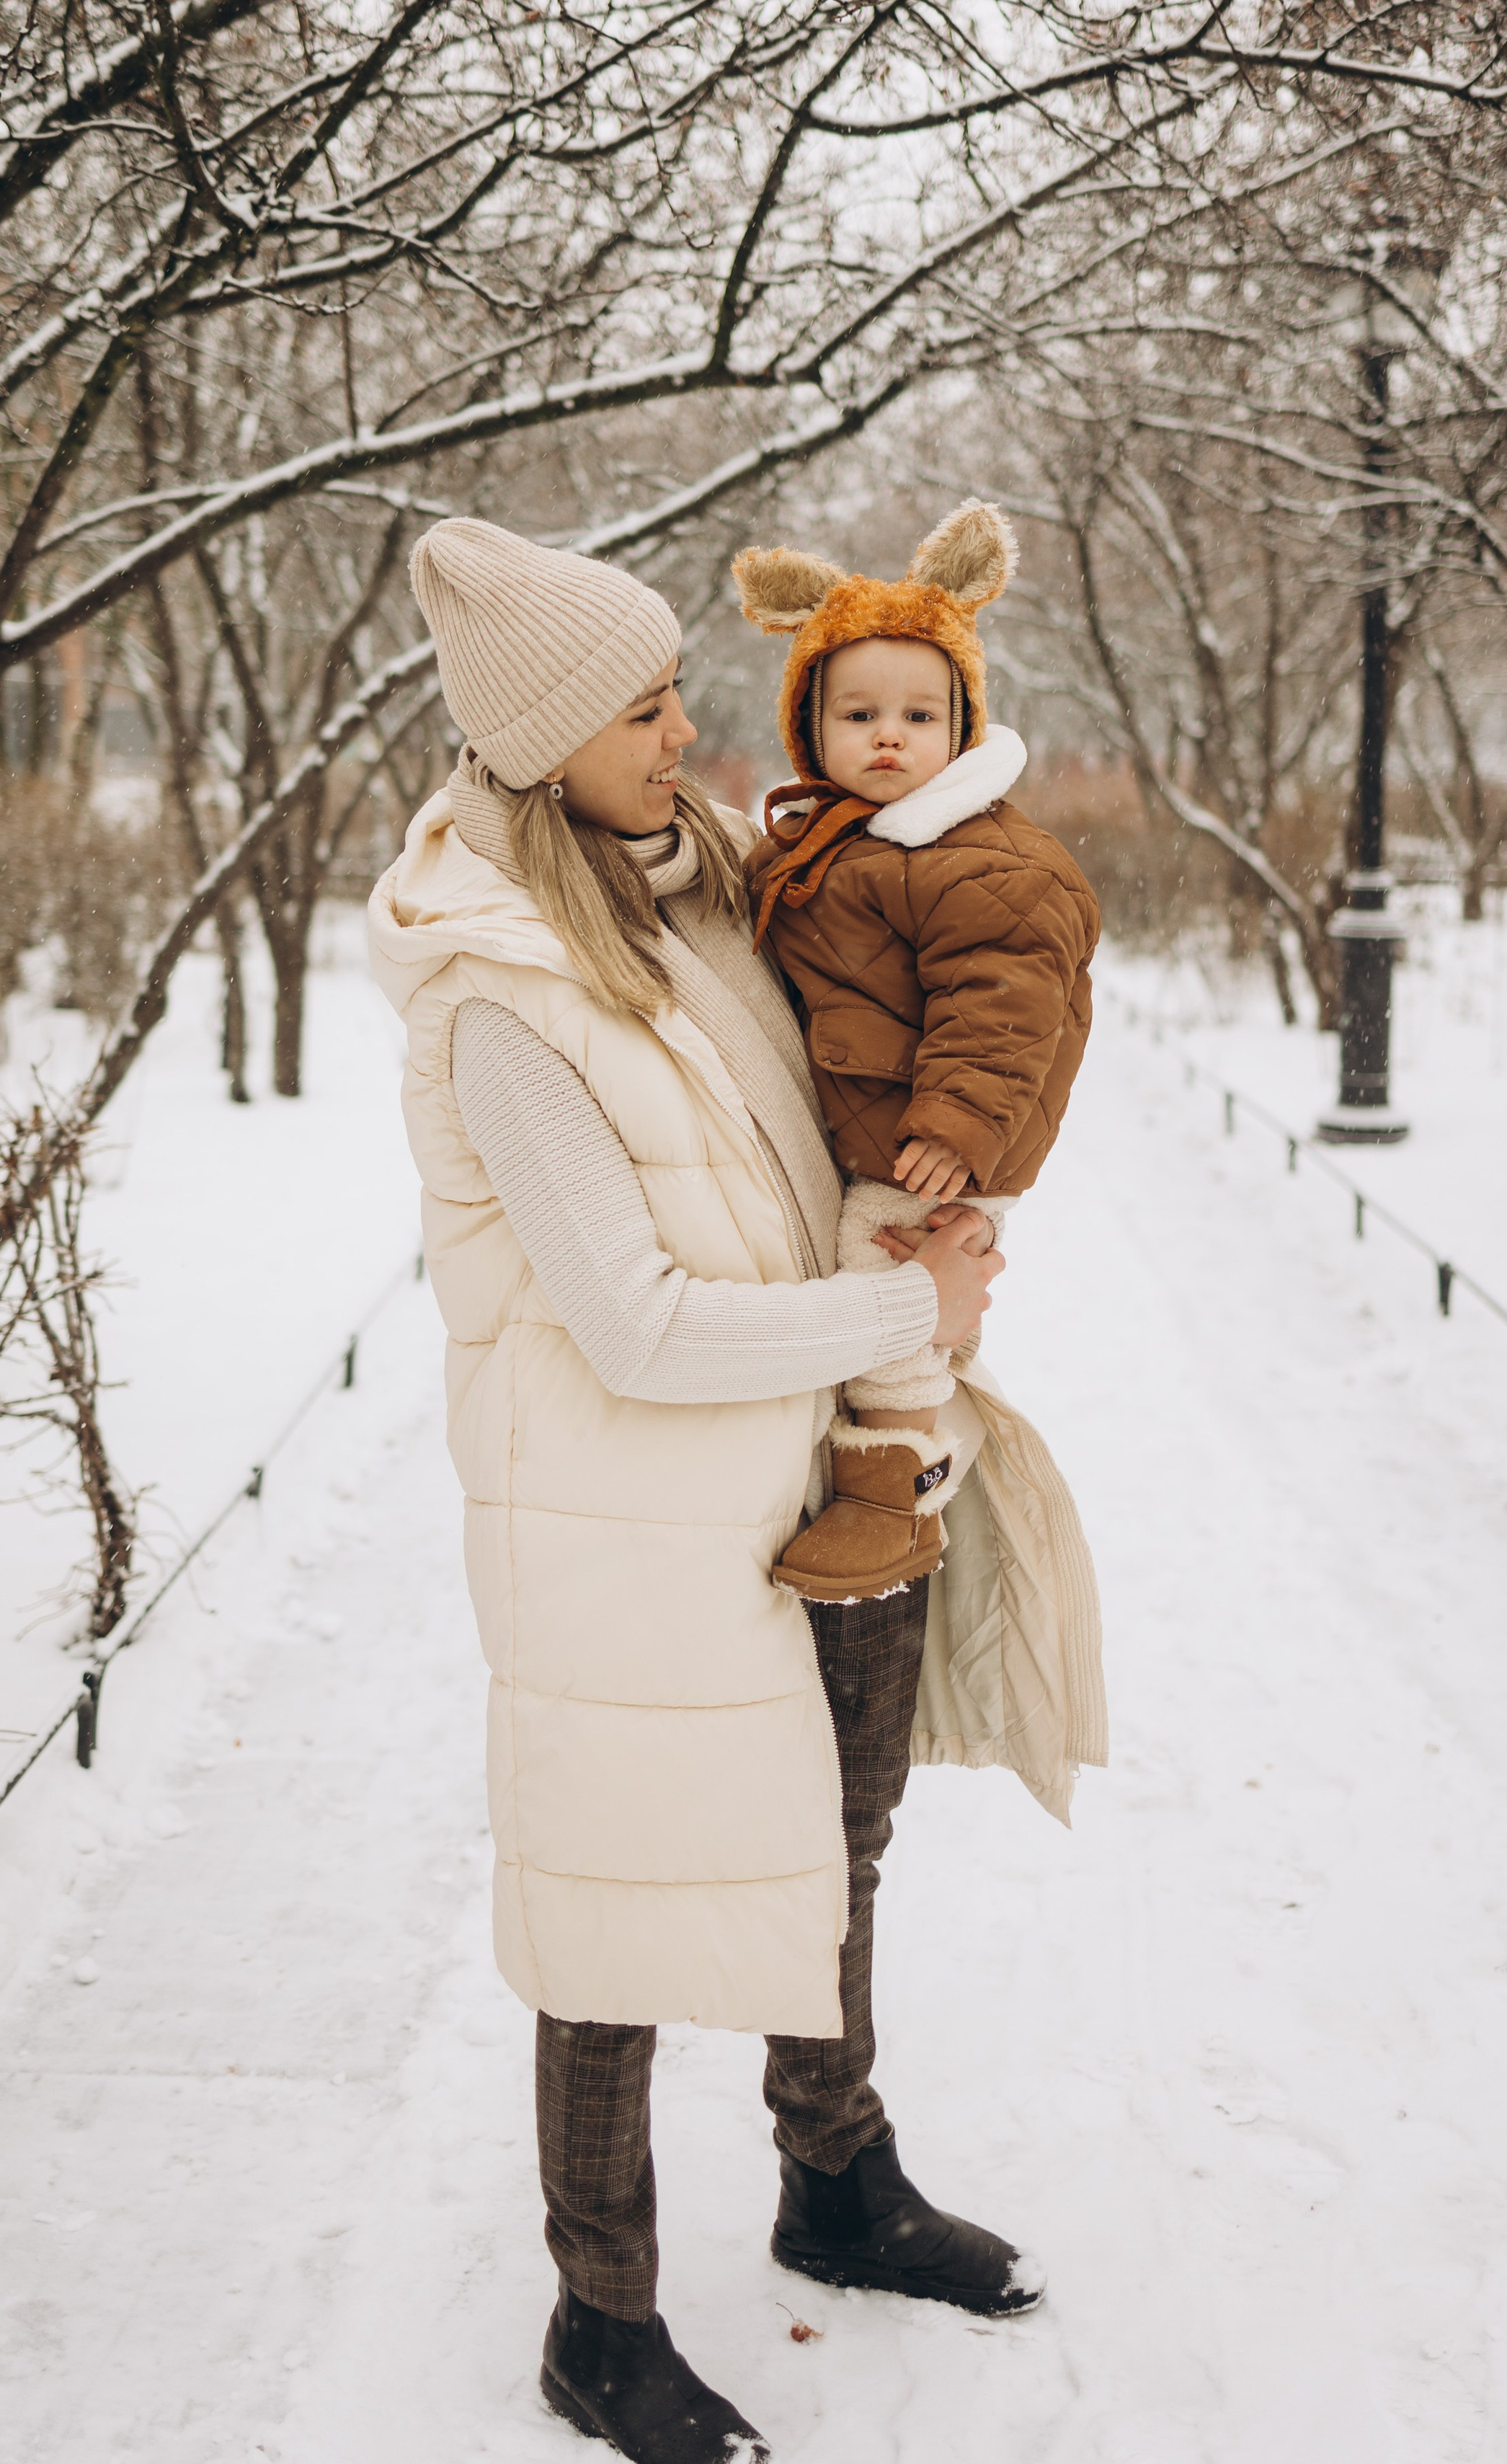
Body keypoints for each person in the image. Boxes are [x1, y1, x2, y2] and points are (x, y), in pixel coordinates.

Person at [368, 518, 1106, 2464]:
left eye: (674, 686)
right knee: (617, 1921)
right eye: (637, 706)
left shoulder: (694, 888)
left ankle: (834, 2183)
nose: (680, 725)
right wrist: (900, 1297)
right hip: (630, 1527)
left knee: (830, 1853)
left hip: (815, 1468)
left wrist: (912, 1285)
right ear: (539, 743)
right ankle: (598, 2318)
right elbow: (633, 1324)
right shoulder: (502, 992)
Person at [735, 500, 1102, 1605]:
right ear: (813, 727)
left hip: (936, 1139)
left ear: (963, 728)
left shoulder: (974, 853)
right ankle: (896, 1431)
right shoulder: (837, 841)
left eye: (917, 715)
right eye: (858, 714)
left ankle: (888, 1485)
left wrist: (954, 1128)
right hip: (895, 1116)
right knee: (878, 1274)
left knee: (883, 1266)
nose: (888, 737)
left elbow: (1004, 999)